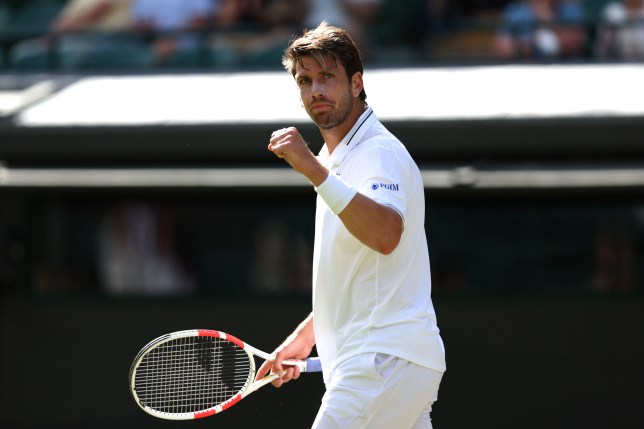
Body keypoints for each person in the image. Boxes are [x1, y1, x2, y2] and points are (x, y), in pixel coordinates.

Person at [255, 22, 446, 428]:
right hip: (394, 362)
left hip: (382, 360)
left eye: (327, 77)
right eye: (305, 80)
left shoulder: (376, 152)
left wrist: (311, 168)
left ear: (356, 83)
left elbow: (385, 235)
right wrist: (305, 338)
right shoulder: (341, 159)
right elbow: (357, 276)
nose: (315, 91)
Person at [493, 0, 587, 60]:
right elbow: (503, 50)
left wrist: (546, 19)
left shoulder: (571, 9)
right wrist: (523, 47)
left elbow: (575, 44)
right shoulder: (515, 12)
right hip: (525, 69)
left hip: (566, 68)